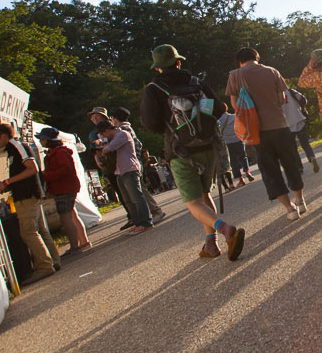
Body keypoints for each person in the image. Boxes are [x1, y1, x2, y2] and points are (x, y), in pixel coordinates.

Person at [141, 44, 244, 261]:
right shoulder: (197, 82)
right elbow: (220, 109)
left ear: (158, 67)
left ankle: (224, 229)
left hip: (180, 151)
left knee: (193, 202)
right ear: (178, 62)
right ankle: (211, 245)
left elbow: (151, 124)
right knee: (205, 195)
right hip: (207, 146)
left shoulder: (154, 89)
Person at [227, 48, 307, 220]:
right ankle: (300, 200)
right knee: (291, 163)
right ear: (257, 57)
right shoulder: (272, 71)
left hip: (257, 131)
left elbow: (235, 105)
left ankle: (290, 209)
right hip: (279, 125)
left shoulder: (234, 75)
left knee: (270, 172)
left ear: (239, 61)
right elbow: (282, 99)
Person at [0, 122, 59, 283]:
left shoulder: (17, 146)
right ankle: (54, 260)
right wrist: (6, 185)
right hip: (28, 194)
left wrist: (6, 182)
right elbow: (24, 173)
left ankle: (44, 266)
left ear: (3, 136)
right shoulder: (13, 148)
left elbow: (32, 168)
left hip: (27, 196)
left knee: (28, 232)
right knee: (40, 230)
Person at [36, 126, 91, 256]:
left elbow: (65, 170)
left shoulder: (59, 153)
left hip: (64, 188)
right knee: (72, 216)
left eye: (42, 139)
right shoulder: (59, 152)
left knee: (66, 218)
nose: (40, 141)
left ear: (48, 140)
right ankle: (83, 242)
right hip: (66, 187)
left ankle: (75, 247)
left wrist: (47, 175)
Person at [95, 119, 154, 234]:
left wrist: (104, 147)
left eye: (103, 133)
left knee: (136, 198)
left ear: (107, 130)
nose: (103, 136)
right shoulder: (114, 138)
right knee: (128, 201)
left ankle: (146, 222)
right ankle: (138, 223)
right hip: (119, 171)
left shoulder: (122, 134)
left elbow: (108, 149)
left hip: (129, 169)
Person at [109, 106, 166, 222]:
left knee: (140, 191)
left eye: (111, 118)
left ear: (115, 118)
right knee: (140, 190)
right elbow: (139, 144)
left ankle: (156, 211)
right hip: (136, 161)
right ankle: (152, 212)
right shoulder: (128, 127)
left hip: (132, 163)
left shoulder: (122, 129)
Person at [284, 86, 320, 171]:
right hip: (299, 119)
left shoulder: (275, 96)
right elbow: (303, 100)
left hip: (287, 124)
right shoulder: (291, 91)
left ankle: (299, 167)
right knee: (305, 144)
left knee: (293, 147)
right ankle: (311, 157)